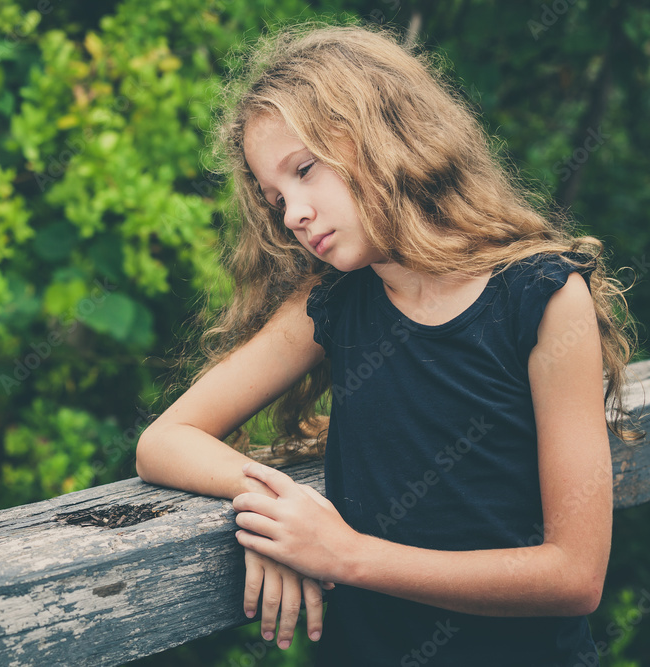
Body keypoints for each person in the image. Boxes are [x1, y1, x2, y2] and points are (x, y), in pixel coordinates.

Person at [134, 20, 644, 666]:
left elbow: (574, 576)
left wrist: (345, 554)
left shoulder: (539, 298)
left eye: (305, 170)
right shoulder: (332, 303)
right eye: (275, 198)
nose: (292, 213)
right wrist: (282, 510)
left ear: (380, 132)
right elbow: (162, 441)